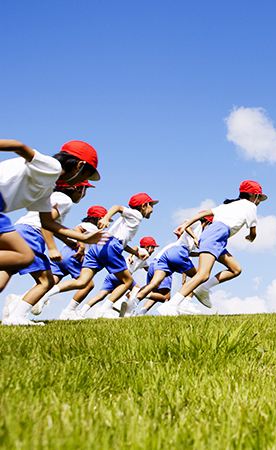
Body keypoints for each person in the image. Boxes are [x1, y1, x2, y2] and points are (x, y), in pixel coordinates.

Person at [0, 139, 103, 303]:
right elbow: (19, 146)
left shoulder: (47, 188)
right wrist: (53, 247)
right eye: (86, 175)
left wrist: (83, 238)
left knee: (21, 257)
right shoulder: (53, 166)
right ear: (79, 165)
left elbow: (47, 222)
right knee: (24, 255)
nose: (82, 182)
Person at [39, 193, 158, 316]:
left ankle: (47, 295)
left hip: (100, 244)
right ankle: (103, 310)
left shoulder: (127, 220)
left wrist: (135, 253)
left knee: (83, 281)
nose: (152, 210)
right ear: (144, 206)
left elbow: (122, 241)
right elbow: (117, 207)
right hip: (111, 246)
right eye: (151, 206)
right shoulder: (136, 214)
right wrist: (106, 218)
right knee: (127, 282)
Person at [159, 180, 265, 316]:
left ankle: (201, 290)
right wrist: (251, 237)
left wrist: (185, 225)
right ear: (253, 195)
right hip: (215, 236)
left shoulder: (229, 205)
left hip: (215, 237)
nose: (259, 201)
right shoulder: (250, 206)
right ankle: (171, 305)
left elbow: (202, 214)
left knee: (235, 269)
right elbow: (253, 232)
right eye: (259, 198)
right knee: (203, 274)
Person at [1, 181, 93, 325]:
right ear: (77, 188)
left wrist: (68, 241)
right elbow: (46, 222)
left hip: (17, 230)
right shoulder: (65, 200)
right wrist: (52, 247)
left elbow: (52, 226)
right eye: (84, 189)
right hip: (32, 235)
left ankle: (14, 314)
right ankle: (16, 317)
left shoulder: (51, 196)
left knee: (5, 273)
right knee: (46, 282)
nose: (84, 194)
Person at [134, 215, 214, 315]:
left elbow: (187, 253)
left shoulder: (185, 241)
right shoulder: (197, 225)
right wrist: (195, 237)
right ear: (207, 222)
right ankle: (186, 303)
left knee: (155, 290)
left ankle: (139, 308)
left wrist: (199, 253)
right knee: (198, 277)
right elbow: (186, 224)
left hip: (157, 263)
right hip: (169, 259)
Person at [76, 236, 159, 319]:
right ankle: (119, 306)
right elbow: (136, 248)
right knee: (136, 289)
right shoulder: (143, 252)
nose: (154, 250)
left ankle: (82, 311)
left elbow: (148, 268)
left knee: (101, 295)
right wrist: (131, 256)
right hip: (123, 275)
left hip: (113, 274)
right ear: (147, 246)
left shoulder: (144, 260)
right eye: (153, 247)